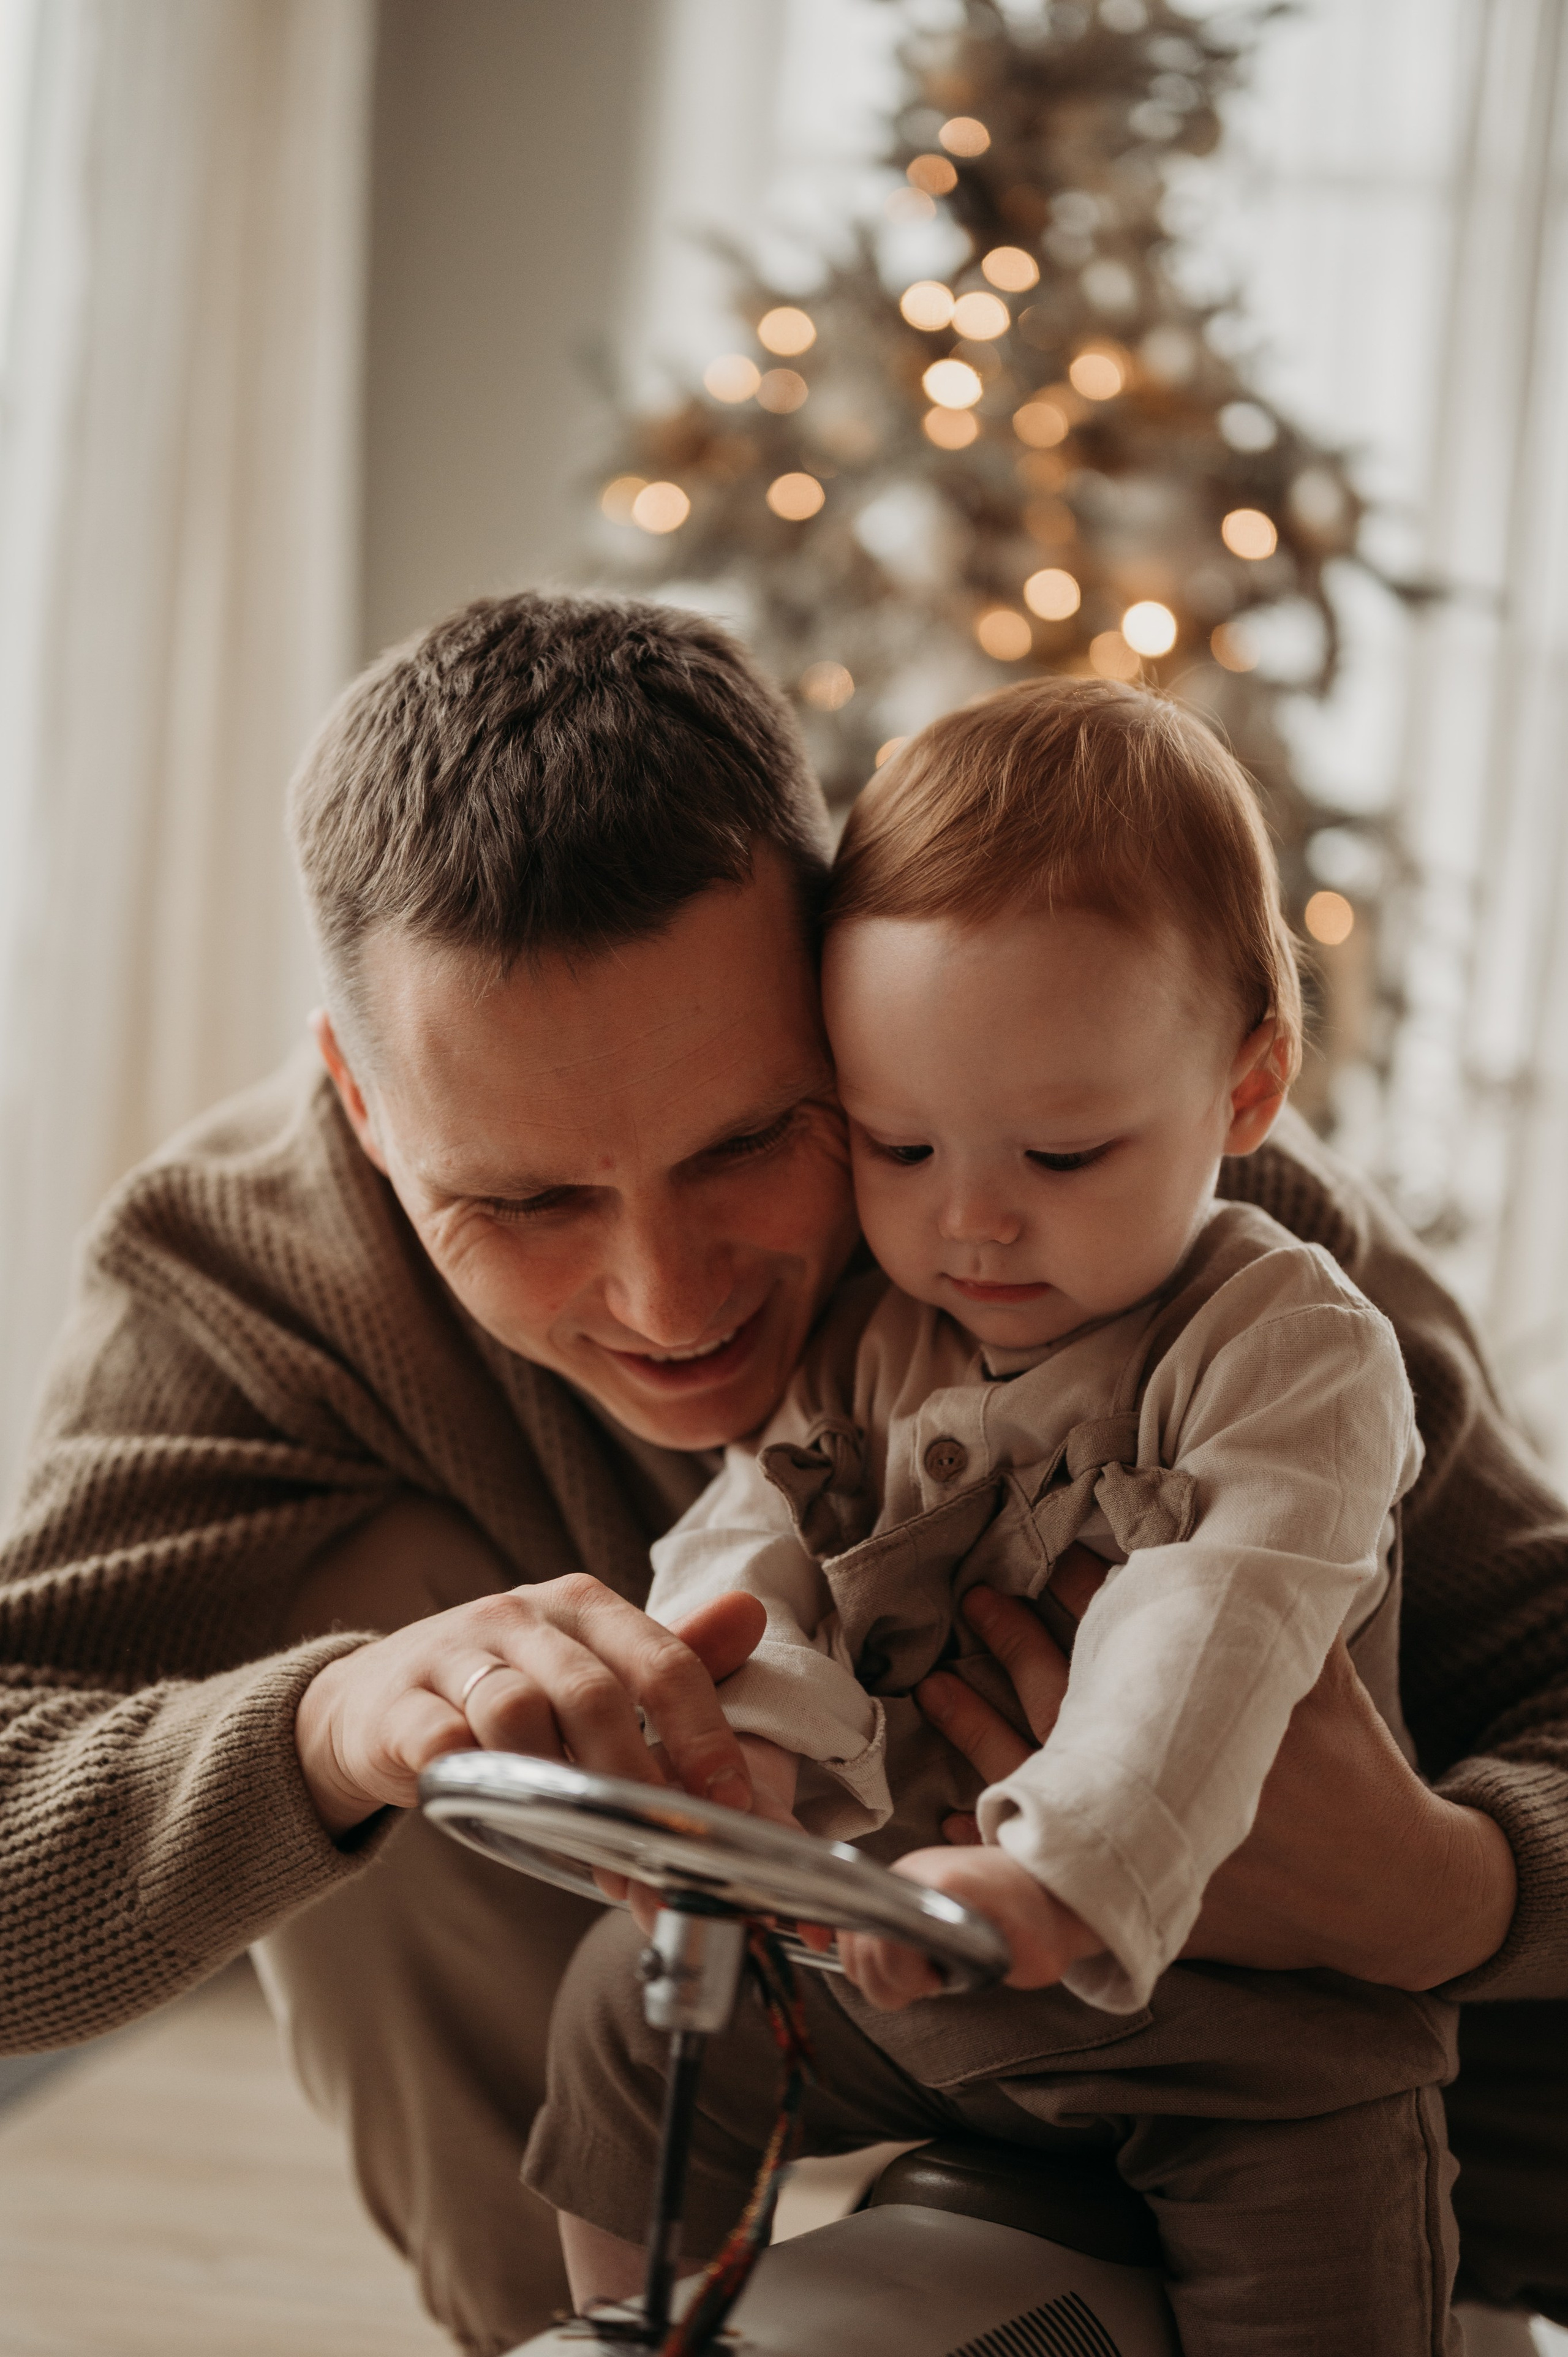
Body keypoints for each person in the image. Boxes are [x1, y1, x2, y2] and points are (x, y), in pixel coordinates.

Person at [0, 592, 1559, 2356]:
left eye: (756, 1139)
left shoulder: (1156, 1226)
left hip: (1319, 2047)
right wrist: (333, 1729)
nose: (669, 1303)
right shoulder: (242, 1285)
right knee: (367, 1650)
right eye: (522, 1200)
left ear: (837, 988)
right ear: (360, 1100)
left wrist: (1456, 1883)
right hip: (769, 2007)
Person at [532, 679, 1459, 2355]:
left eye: (1065, 1152)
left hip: (1246, 2040)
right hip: (922, 1970)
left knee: (1331, 2296)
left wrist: (1062, 1879)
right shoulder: (878, 1334)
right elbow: (763, 1539)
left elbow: (1215, 1618)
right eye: (898, 1144)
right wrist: (730, 1744)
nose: (970, 1224)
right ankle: (632, 2323)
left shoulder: (1291, 1350)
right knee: (630, 2005)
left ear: (1245, 1095)